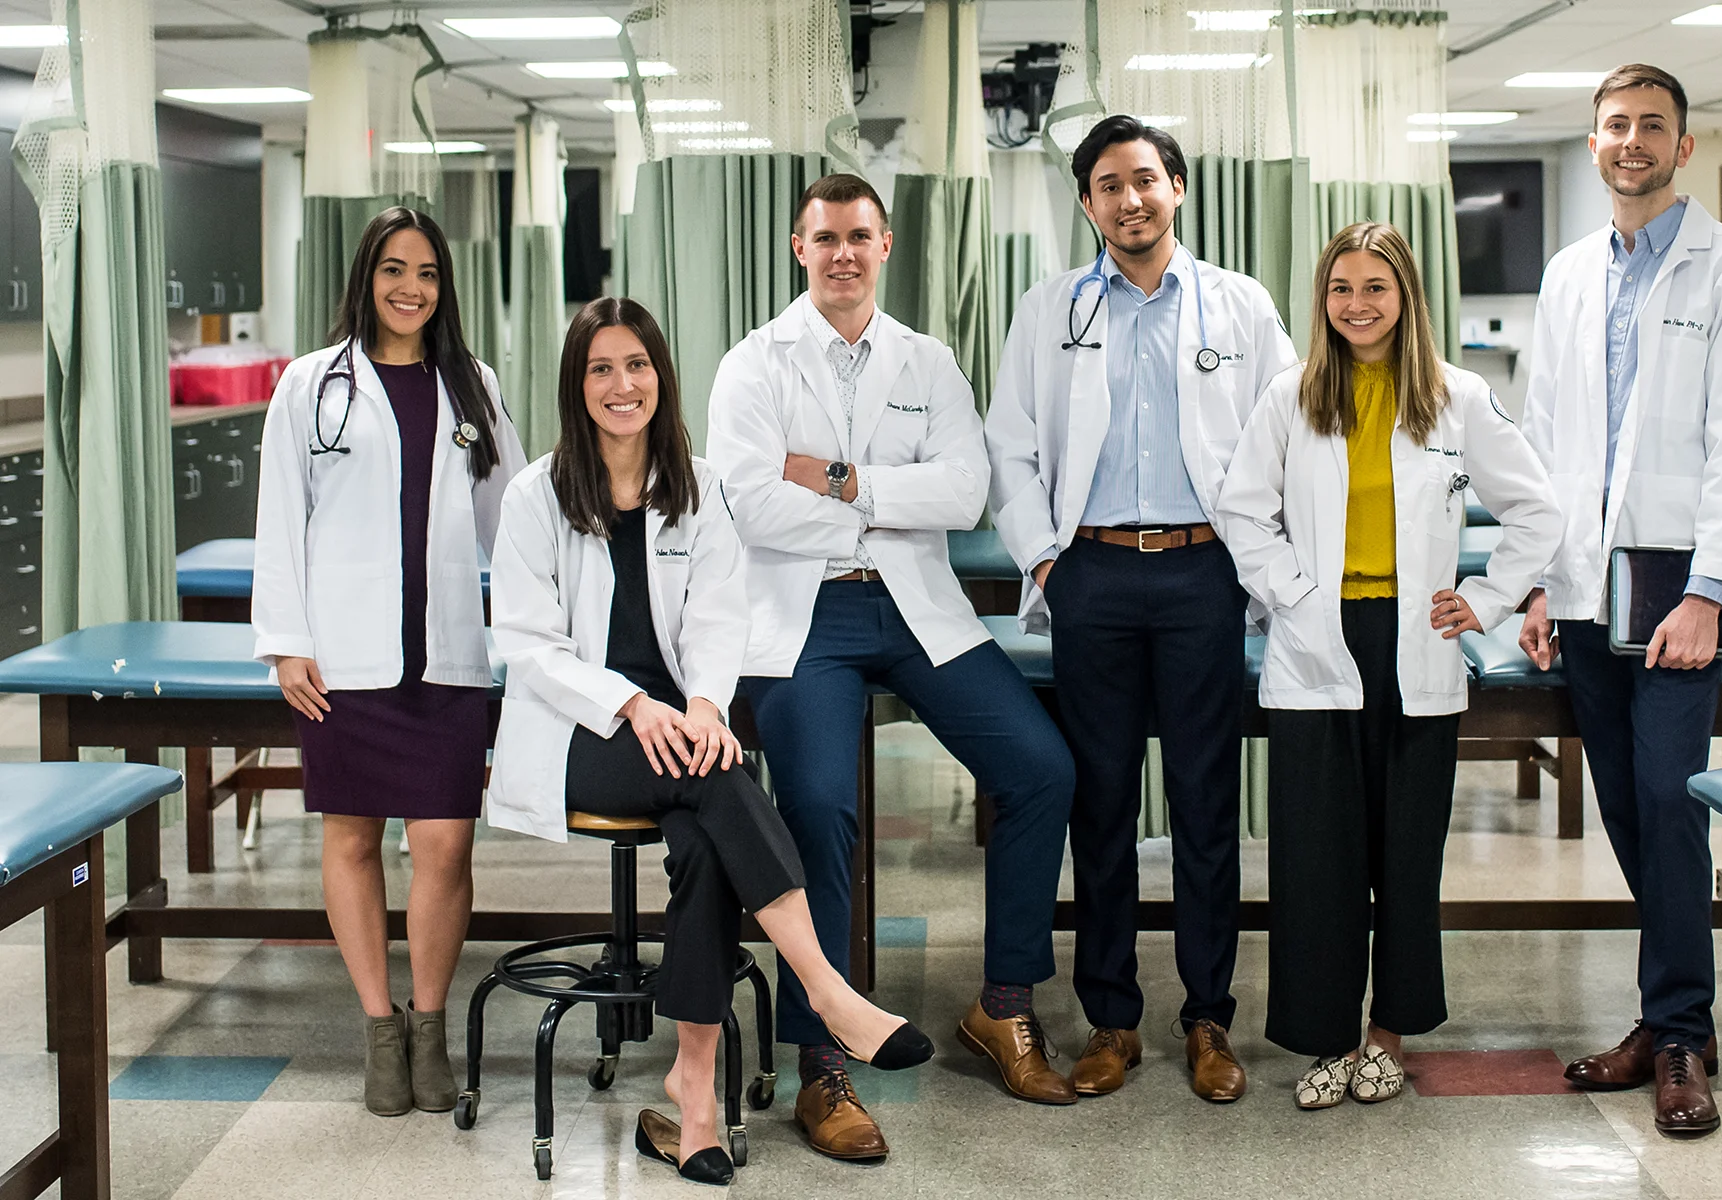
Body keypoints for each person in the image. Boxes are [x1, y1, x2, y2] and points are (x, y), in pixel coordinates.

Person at [486, 297, 932, 1186]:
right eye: (602, 368)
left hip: (680, 730)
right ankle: (829, 992)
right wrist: (635, 707)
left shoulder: (692, 485)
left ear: (662, 376)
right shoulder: (538, 492)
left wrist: (702, 705)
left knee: (705, 832)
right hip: (580, 734)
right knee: (717, 788)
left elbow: (721, 616)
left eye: (638, 365)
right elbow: (527, 645)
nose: (623, 385)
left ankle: (695, 1101)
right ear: (578, 385)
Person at [706, 174, 1078, 1158]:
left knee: (1040, 771)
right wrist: (885, 497)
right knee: (818, 807)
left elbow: (963, 495)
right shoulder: (752, 367)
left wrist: (833, 479)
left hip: (916, 608)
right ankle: (823, 1065)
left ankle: (1002, 1004)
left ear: (884, 245)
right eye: (823, 237)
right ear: (798, 248)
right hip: (801, 617)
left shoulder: (926, 359)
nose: (841, 253)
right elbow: (748, 504)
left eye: (857, 237)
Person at [986, 114, 1296, 1102]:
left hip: (1204, 575)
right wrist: (1042, 562)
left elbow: (1281, 436)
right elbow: (1010, 445)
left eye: (1145, 180)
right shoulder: (1048, 309)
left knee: (1207, 803)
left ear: (1177, 190)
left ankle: (1209, 1018)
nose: (1129, 199)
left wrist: (1259, 567)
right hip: (1093, 577)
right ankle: (1110, 1019)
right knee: (1101, 803)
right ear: (1087, 204)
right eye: (1108, 184)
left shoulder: (1239, 307)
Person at [1215, 222, 1559, 1110]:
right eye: (1341, 288)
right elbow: (1241, 511)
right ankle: (1325, 1039)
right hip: (1315, 645)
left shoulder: (1459, 398)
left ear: (1406, 296)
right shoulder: (1291, 396)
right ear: (1322, 299)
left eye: (1375, 287)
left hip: (1419, 648)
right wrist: (1293, 593)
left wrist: (1484, 601)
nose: (1357, 305)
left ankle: (1386, 1034)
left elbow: (1537, 512)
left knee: (1405, 858)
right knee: (1316, 858)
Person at [1517, 63, 1722, 1138]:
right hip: (1583, 579)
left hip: (1677, 582)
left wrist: (1710, 590)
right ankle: (1673, 1011)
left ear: (1682, 147)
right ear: (1592, 144)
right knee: (1625, 805)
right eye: (1613, 125)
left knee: (1669, 801)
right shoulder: (1571, 271)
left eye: (1651, 126)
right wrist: (1534, 575)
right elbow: (1540, 438)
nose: (1630, 140)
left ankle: (1676, 1032)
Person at [252, 206, 527, 1117]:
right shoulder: (309, 385)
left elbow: (516, 521)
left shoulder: (473, 386)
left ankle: (431, 1021)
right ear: (365, 278)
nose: (411, 288)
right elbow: (279, 519)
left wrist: (542, 629)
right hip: (344, 656)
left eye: (428, 274)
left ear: (445, 287)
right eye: (394, 270)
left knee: (445, 844)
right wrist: (285, 642)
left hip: (447, 653)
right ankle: (380, 1029)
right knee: (353, 837)